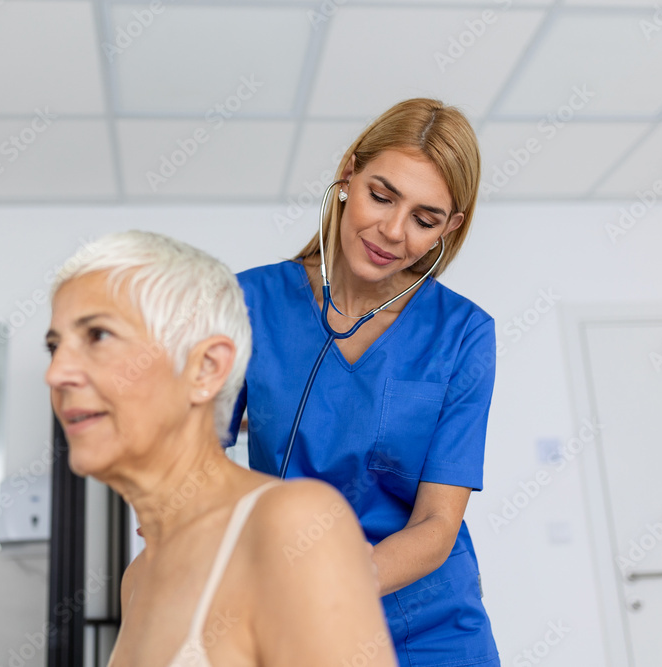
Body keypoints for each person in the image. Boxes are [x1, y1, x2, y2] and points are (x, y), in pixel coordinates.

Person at [44, 230, 398, 667]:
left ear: (206, 368)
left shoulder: (292, 526)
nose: (56, 373)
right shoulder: (138, 578)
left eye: (98, 335)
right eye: (54, 346)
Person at [229, 98, 500, 666]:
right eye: (381, 195)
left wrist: (330, 585)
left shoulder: (463, 333)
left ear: (448, 229)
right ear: (348, 176)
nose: (392, 231)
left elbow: (437, 522)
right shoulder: (247, 302)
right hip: (294, 611)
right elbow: (193, 465)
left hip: (428, 623)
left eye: (424, 220)